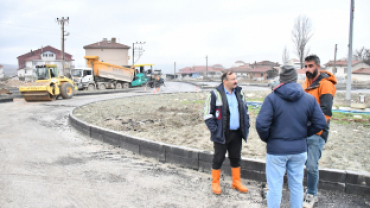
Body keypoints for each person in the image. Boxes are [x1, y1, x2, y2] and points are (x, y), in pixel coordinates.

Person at [256, 65, 326, 208]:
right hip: (299, 150)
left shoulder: (272, 99)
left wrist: (269, 138)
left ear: (281, 79)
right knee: (296, 186)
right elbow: (320, 122)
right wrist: (303, 133)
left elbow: (261, 124)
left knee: (275, 188)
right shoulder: (309, 99)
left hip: (276, 151)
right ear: (295, 78)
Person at [203, 70, 250, 195]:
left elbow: (245, 111)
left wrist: (246, 126)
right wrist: (216, 130)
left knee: (236, 158)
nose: (236, 81)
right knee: (218, 158)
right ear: (225, 81)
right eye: (233, 79)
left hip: (236, 133)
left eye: (236, 78)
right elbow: (207, 115)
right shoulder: (214, 94)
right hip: (221, 134)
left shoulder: (239, 93)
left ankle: (236, 182)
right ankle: (215, 183)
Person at [302, 55, 337, 208]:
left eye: (310, 66)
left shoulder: (325, 85)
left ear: (318, 66)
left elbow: (326, 112)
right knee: (302, 162)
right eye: (306, 66)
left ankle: (311, 194)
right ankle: (307, 189)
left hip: (317, 132)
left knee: (311, 165)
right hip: (303, 131)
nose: (308, 69)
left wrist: (314, 130)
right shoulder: (305, 85)